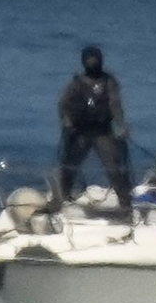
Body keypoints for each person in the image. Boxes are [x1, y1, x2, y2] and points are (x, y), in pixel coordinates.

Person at [57, 45, 132, 212]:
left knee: (113, 166)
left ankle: (125, 204)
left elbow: (115, 104)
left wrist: (121, 124)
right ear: (84, 61)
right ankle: (63, 198)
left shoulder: (108, 81)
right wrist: (67, 123)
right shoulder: (76, 83)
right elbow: (63, 105)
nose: (92, 62)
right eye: (89, 59)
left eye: (95, 58)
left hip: (102, 131)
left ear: (101, 60)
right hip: (79, 132)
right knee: (70, 165)